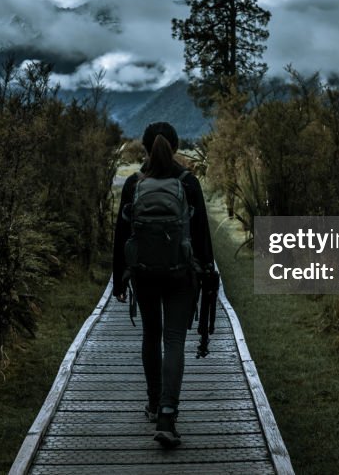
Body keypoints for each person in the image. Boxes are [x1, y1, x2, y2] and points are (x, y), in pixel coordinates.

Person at [112, 121, 215, 448]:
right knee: (173, 339)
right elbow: (201, 235)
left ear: (145, 147)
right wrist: (208, 272)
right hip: (180, 273)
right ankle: (168, 415)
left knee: (150, 334)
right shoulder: (188, 182)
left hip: (143, 273)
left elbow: (121, 235)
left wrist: (119, 278)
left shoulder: (133, 183)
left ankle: (154, 402)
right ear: (175, 145)